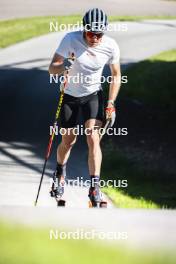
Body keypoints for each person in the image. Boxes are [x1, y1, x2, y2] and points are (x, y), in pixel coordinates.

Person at [49, 8, 121, 206]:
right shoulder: (70, 39)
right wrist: (64, 65)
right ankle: (59, 174)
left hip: (92, 95)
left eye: (99, 34)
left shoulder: (110, 45)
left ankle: (94, 187)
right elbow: (51, 68)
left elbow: (116, 75)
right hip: (70, 95)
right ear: (85, 29)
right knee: (68, 140)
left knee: (92, 136)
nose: (95, 38)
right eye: (91, 33)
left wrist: (111, 103)